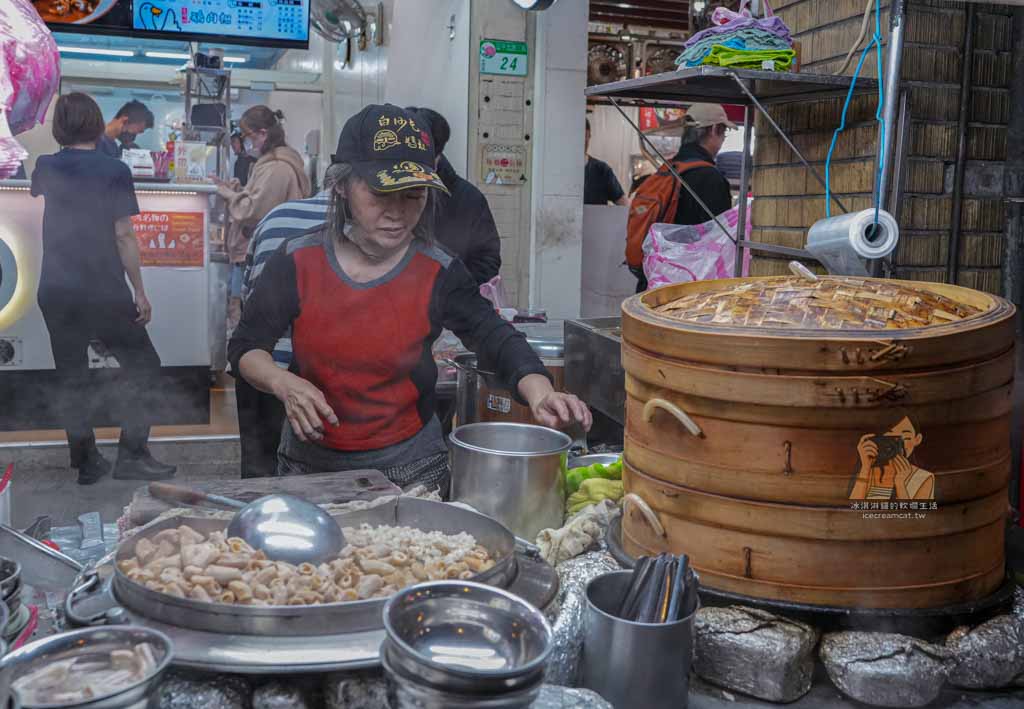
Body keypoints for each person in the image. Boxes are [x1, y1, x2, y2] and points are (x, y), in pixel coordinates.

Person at [229, 104, 591, 490]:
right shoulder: (297, 259)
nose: (398, 214)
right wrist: (284, 383)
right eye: (381, 194)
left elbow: (494, 337)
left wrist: (541, 392)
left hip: (413, 467)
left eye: (413, 196)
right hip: (311, 466)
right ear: (340, 185)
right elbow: (246, 347)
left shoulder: (438, 270)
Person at [30, 92, 176, 484]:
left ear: (60, 127)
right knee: (145, 367)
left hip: (55, 289)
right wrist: (140, 290)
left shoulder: (45, 166)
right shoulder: (114, 170)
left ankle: (86, 462)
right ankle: (132, 454)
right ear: (97, 124)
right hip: (102, 289)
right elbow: (124, 235)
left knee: (71, 375)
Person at [235, 189, 332, 478]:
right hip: (320, 377)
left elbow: (247, 298)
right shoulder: (380, 231)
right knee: (322, 482)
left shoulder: (276, 217)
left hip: (261, 364)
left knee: (260, 479)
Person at [212, 106, 311, 334]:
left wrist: (228, 195)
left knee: (256, 322)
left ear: (263, 133)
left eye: (247, 136)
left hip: (268, 255)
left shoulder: (277, 167)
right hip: (264, 253)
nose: (246, 142)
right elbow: (259, 197)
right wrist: (237, 189)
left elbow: (254, 211)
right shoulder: (270, 164)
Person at [626, 103, 735, 292]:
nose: (723, 140)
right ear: (715, 129)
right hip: (683, 288)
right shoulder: (710, 178)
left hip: (652, 279)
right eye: (724, 133)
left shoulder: (669, 169)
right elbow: (719, 243)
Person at [406, 107, 501, 285]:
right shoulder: (382, 194)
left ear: (438, 156)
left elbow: (487, 260)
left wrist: (451, 289)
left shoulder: (470, 200)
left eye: (422, 161)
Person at [850, 417, 935, 501]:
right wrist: (865, 467)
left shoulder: (924, 477)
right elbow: (853, 508)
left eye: (905, 438)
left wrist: (900, 484)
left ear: (917, 439)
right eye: (890, 438)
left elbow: (914, 514)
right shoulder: (869, 472)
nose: (898, 445)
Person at [584, 119, 628, 207]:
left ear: (589, 136)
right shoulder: (557, 170)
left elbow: (623, 203)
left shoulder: (601, 170)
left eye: (585, 136)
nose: (582, 141)